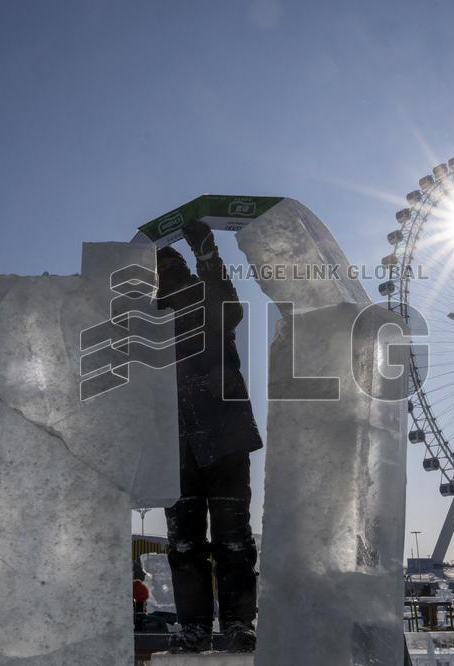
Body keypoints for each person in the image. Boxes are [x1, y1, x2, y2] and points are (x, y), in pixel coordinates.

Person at [158, 220, 262, 654]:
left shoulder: (206, 297)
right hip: (179, 444)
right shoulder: (149, 315)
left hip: (221, 437)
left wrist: (209, 257)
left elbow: (230, 309)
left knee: (228, 540)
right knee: (190, 544)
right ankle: (198, 627)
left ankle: (234, 624)